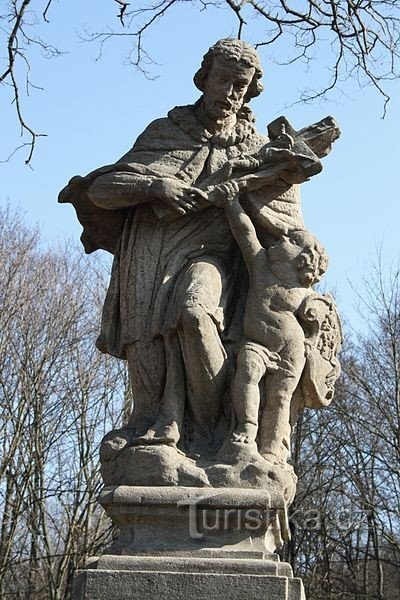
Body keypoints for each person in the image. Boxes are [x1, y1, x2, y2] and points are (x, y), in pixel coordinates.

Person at [60, 39, 270, 454]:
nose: (230, 93)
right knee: (144, 340)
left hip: (215, 257)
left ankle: (210, 429)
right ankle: (149, 420)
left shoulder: (256, 150)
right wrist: (156, 185)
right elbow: (102, 189)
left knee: (193, 313)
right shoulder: (166, 132)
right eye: (223, 80)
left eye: (240, 85)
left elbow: (284, 220)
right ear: (203, 79)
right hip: (151, 255)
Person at [220, 180, 329, 463]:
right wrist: (231, 202)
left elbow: (319, 317)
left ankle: (271, 447)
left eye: (292, 241)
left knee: (279, 400)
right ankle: (246, 427)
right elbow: (245, 232)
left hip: (289, 351)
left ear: (303, 262)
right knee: (246, 370)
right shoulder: (261, 266)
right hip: (257, 343)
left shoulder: (300, 290)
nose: (282, 238)